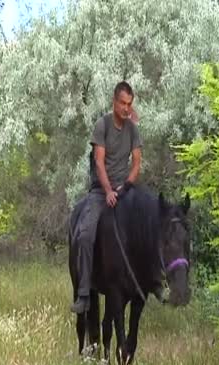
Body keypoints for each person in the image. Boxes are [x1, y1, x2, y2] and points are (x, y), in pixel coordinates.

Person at [71, 81, 143, 314]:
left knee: (149, 225)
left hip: (125, 190)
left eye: (129, 104)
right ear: (114, 102)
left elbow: (137, 163)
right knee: (84, 234)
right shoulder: (102, 125)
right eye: (122, 103)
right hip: (101, 191)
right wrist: (109, 190)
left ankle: (148, 283)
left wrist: (127, 186)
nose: (126, 108)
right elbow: (99, 163)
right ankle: (84, 293)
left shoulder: (133, 129)